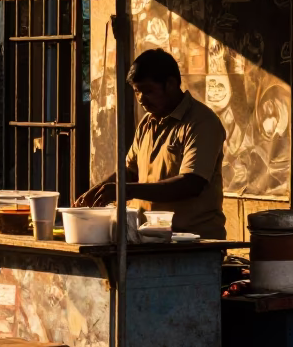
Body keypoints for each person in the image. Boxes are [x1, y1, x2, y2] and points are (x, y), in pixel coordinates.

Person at [76, 48, 227, 239]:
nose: (141, 99)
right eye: (137, 91)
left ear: (171, 84)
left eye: (148, 91)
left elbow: (191, 183)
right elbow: (130, 171)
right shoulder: (148, 123)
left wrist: (125, 190)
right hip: (150, 237)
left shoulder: (201, 122)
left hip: (192, 240)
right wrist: (99, 190)